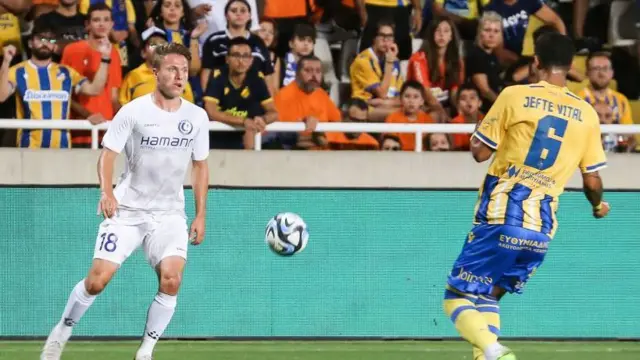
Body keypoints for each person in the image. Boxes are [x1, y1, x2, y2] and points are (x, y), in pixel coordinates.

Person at [442, 32, 610, 360]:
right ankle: (486, 357)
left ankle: (495, 351)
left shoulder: (514, 95)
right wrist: (598, 206)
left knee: (457, 297)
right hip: (542, 228)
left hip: (503, 211)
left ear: (535, 62)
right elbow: (592, 181)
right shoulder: (587, 114)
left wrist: (482, 126)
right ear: (572, 66)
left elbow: (479, 152)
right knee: (488, 295)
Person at [40, 43, 210, 360]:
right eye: (173, 69)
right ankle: (62, 330)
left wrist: (200, 215)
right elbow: (107, 157)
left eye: (184, 70)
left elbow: (200, 166)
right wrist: (106, 192)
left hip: (170, 215)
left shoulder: (196, 117)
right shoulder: (133, 111)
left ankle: (145, 352)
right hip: (127, 211)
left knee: (172, 280)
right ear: (155, 72)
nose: (179, 76)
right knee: (97, 281)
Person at [0, 23, 111, 149]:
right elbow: (1, 96)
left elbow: (94, 89)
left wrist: (105, 57)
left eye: (50, 40)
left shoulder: (66, 72)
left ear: (54, 46)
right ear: (30, 43)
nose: (45, 43)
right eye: (41, 39)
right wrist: (6, 62)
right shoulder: (17, 71)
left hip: (62, 148)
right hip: (29, 148)